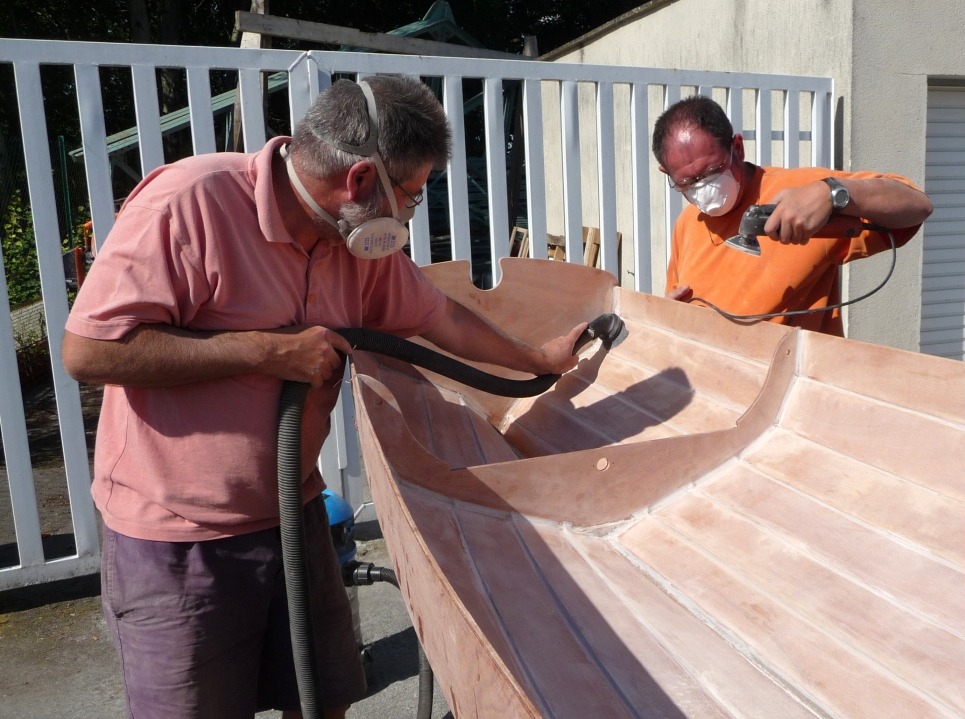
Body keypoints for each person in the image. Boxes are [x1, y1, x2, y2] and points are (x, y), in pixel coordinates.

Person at [61, 75, 586, 719]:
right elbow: (91, 351)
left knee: (324, 701)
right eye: (414, 195)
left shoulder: (351, 241)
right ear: (360, 180)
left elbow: (437, 320)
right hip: (178, 540)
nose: (412, 214)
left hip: (295, 513)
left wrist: (539, 360)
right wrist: (265, 350)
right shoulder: (190, 203)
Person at [651, 95, 933, 335]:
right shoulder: (687, 223)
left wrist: (831, 194)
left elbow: (917, 205)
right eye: (688, 182)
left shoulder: (800, 194)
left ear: (737, 148)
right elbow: (676, 298)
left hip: (797, 386)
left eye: (713, 171)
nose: (705, 189)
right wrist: (671, 315)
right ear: (667, 173)